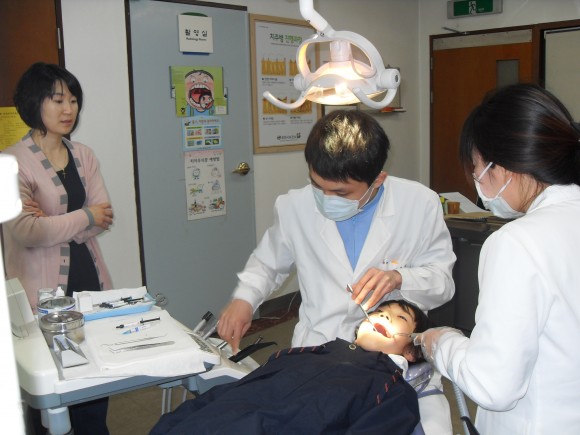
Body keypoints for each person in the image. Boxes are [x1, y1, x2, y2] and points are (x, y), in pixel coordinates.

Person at [218, 110, 455, 352]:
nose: (326, 198)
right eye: (316, 185)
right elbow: (268, 264)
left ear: (378, 179)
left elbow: (443, 284)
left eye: (341, 192)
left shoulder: (419, 204)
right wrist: (244, 299)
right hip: (318, 345)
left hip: (387, 352)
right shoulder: (294, 206)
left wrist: (399, 278)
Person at [418, 83, 580, 434]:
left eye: (476, 167)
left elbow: (493, 384)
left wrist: (442, 343)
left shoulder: (517, 243)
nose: (477, 180)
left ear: (502, 167)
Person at [2, 62, 114, 434]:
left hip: (89, 285)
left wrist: (54, 222)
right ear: (34, 103)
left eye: (73, 100)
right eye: (57, 100)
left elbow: (103, 216)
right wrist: (84, 216)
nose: (69, 109)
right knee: (49, 396)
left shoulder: (84, 154)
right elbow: (25, 231)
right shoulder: (12, 162)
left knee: (94, 388)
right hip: (40, 299)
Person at [151, 300, 432, 434]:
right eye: (380, 311)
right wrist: (172, 423)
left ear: (411, 351)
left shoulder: (392, 390)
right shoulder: (302, 354)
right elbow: (229, 394)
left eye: (400, 318)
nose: (384, 316)